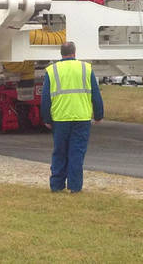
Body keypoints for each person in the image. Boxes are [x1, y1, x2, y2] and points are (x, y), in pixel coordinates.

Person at [41, 41, 104, 193]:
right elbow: (96, 94)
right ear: (75, 53)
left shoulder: (52, 70)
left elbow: (45, 99)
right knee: (77, 152)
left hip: (60, 118)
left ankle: (56, 185)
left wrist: (46, 119)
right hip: (81, 118)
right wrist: (98, 114)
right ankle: (75, 187)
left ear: (61, 54)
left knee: (59, 152)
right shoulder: (85, 68)